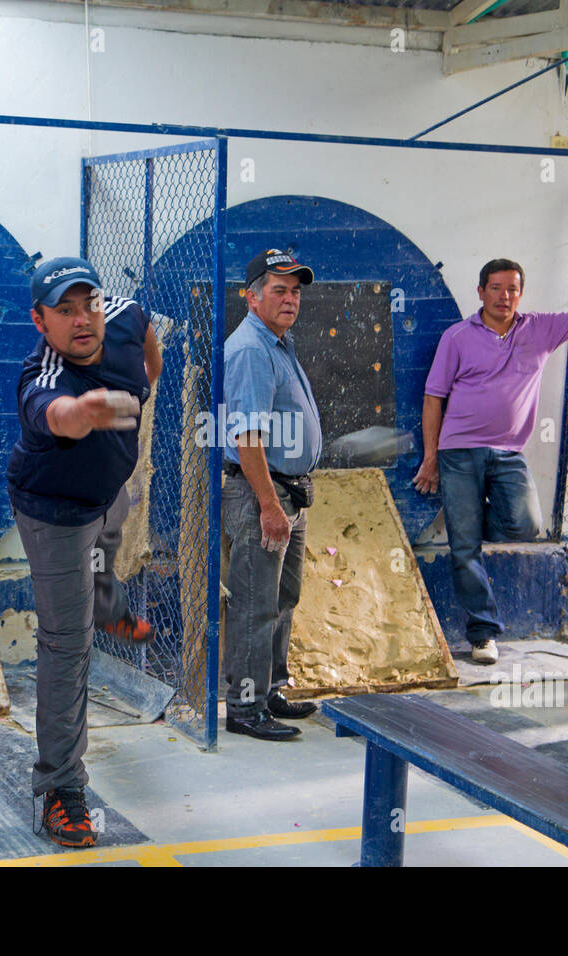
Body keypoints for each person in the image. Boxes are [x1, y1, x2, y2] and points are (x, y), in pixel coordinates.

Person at [7, 256, 162, 847]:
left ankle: (104, 600)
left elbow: (144, 333)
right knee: (67, 646)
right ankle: (60, 788)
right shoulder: (40, 376)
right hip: (53, 511)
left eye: (88, 304)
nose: (82, 320)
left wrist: (147, 379)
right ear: (39, 321)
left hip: (106, 493)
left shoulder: (120, 316)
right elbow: (60, 417)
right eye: (64, 311)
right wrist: (88, 412)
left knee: (111, 535)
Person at [412, 259, 568, 664]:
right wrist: (431, 459)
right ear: (480, 292)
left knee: (526, 524)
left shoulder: (540, 329)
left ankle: (467, 515)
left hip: (508, 454)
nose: (505, 296)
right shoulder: (457, 337)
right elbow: (434, 398)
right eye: (496, 288)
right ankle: (483, 634)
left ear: (521, 293)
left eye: (513, 289)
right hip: (459, 451)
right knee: (465, 549)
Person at [221, 249, 323, 741]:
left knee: (283, 595)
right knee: (255, 602)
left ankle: (271, 689)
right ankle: (244, 707)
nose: (290, 299)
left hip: (288, 493)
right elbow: (247, 438)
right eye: (278, 290)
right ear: (252, 296)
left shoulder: (278, 343)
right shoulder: (251, 349)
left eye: (295, 291)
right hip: (263, 495)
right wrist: (268, 505)